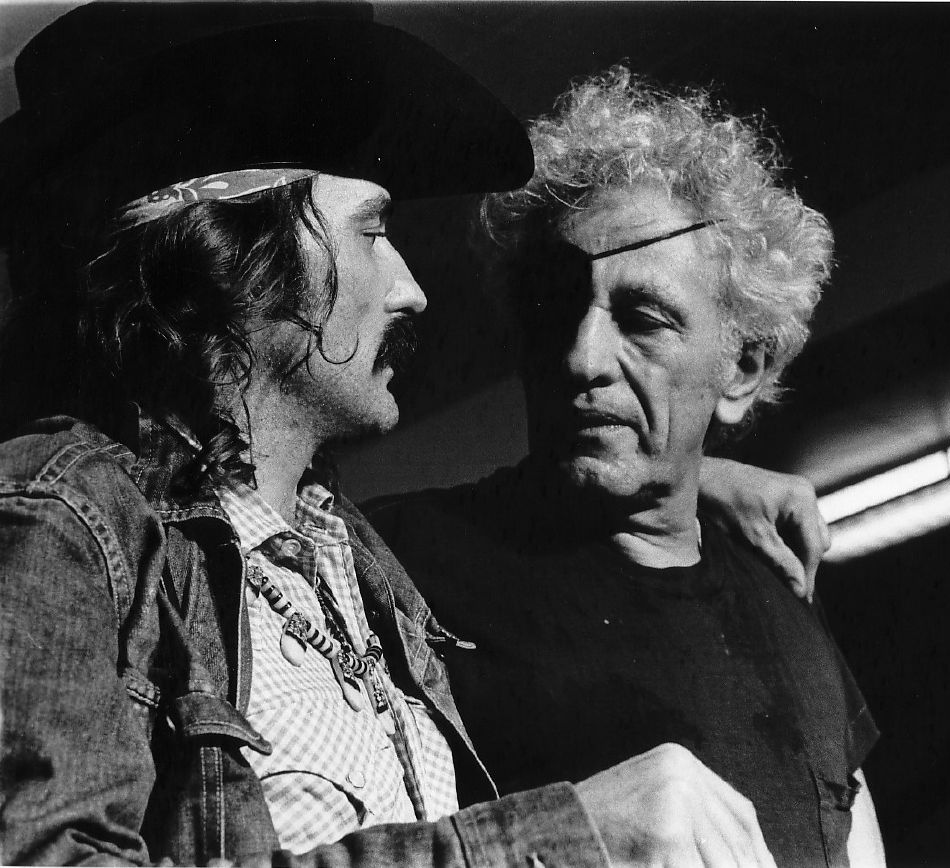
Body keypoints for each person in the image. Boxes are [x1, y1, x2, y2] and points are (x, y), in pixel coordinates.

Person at [0, 6, 821, 866]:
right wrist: (557, 838)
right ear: (230, 255)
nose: (410, 290)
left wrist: (699, 476)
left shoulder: (354, 560)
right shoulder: (59, 523)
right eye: (374, 230)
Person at [366, 68, 885, 867]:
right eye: (558, 308)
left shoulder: (784, 599)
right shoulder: (399, 560)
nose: (583, 358)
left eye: (643, 320)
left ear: (742, 369)